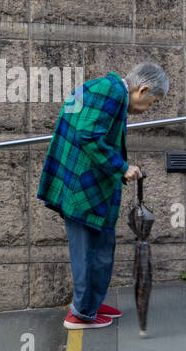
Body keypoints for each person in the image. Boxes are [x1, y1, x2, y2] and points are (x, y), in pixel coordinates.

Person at [37, 61, 168, 329]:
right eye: (152, 102)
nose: (148, 109)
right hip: (84, 189)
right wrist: (122, 168)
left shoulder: (106, 90)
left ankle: (91, 304)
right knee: (90, 251)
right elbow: (88, 136)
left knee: (99, 247)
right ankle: (82, 314)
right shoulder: (110, 92)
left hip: (84, 185)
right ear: (142, 90)